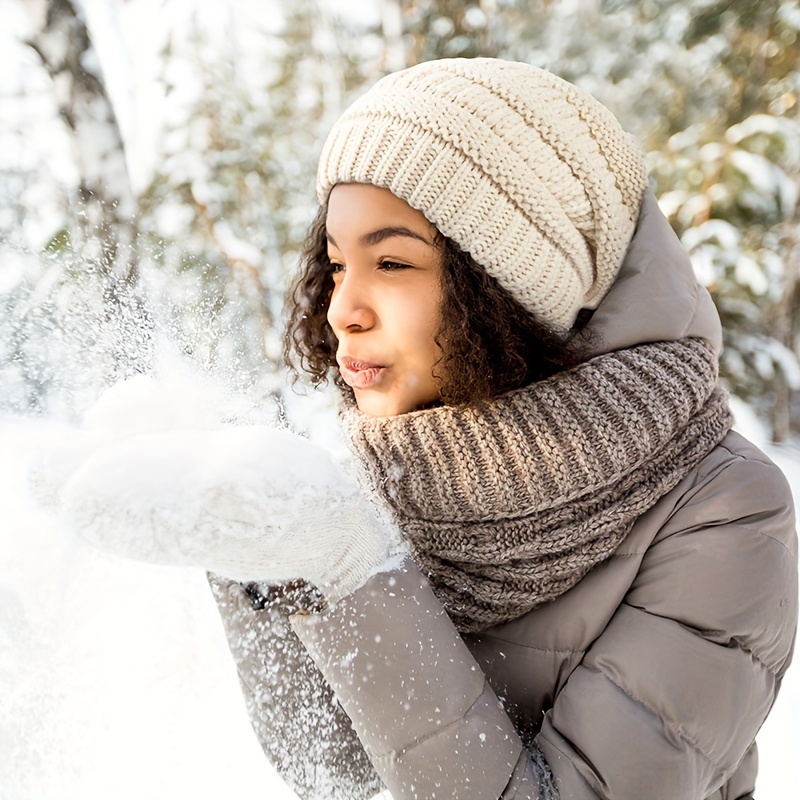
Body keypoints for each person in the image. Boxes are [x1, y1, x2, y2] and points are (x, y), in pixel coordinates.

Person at [62, 58, 797, 800]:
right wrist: (255, 548)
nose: (342, 308)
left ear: (512, 284)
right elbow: (337, 773)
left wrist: (354, 573)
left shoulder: (729, 514)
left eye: (391, 261)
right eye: (337, 263)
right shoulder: (404, 463)